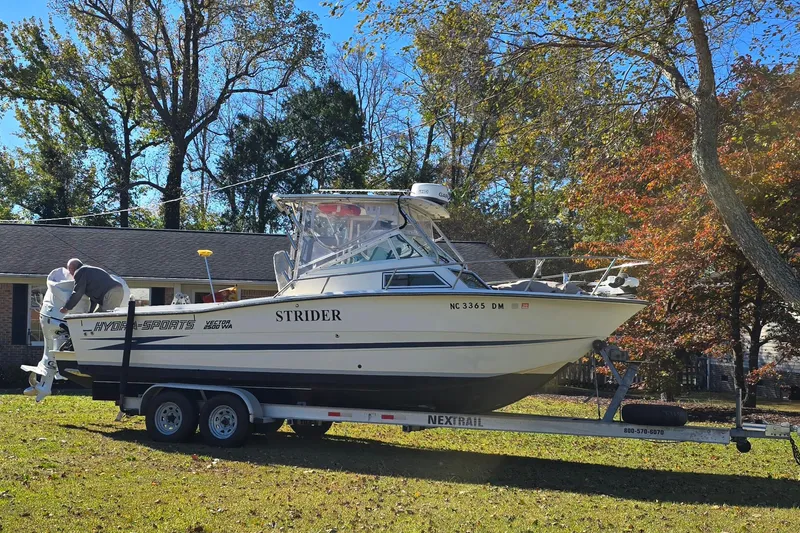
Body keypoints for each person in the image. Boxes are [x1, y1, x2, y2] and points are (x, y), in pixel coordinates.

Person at [60, 258, 125, 313]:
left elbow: (78, 292)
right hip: (114, 291)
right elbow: (94, 298)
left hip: (111, 292)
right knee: (96, 317)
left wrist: (66, 307)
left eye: (69, 269)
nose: (69, 273)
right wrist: (90, 312)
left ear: (72, 268)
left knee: (105, 320)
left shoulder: (80, 272)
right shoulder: (88, 271)